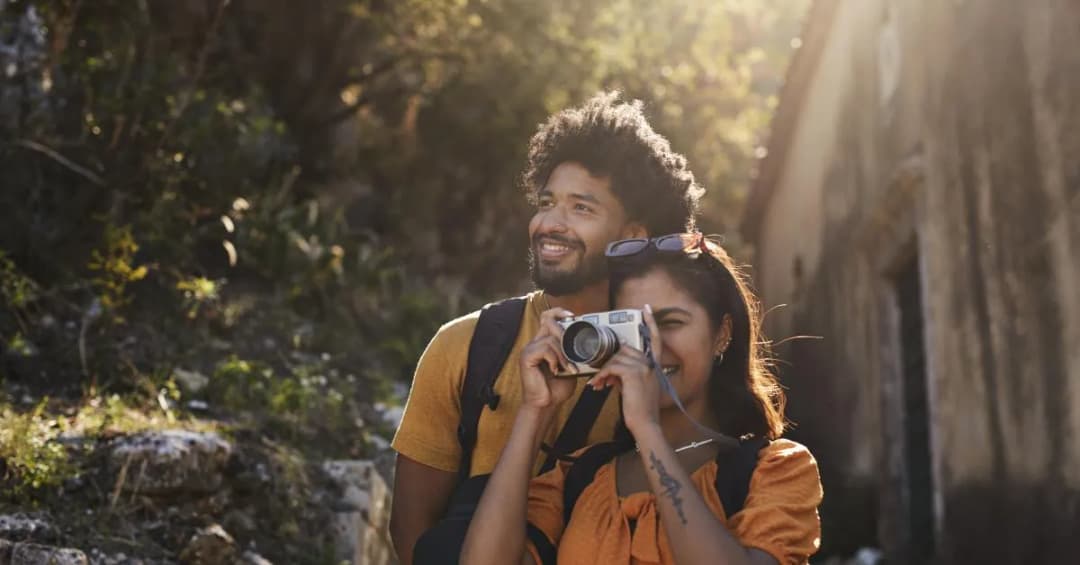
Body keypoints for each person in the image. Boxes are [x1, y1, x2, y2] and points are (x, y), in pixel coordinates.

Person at [390, 92, 705, 564]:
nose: (548, 224)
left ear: (633, 235)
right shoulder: (465, 346)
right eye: (546, 202)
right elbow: (412, 533)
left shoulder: (671, 356)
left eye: (581, 208)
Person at [460, 233, 823, 565]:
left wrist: (647, 430)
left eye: (669, 323)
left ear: (721, 335)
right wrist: (534, 410)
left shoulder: (776, 470)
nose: (650, 348)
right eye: (632, 329)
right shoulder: (583, 475)